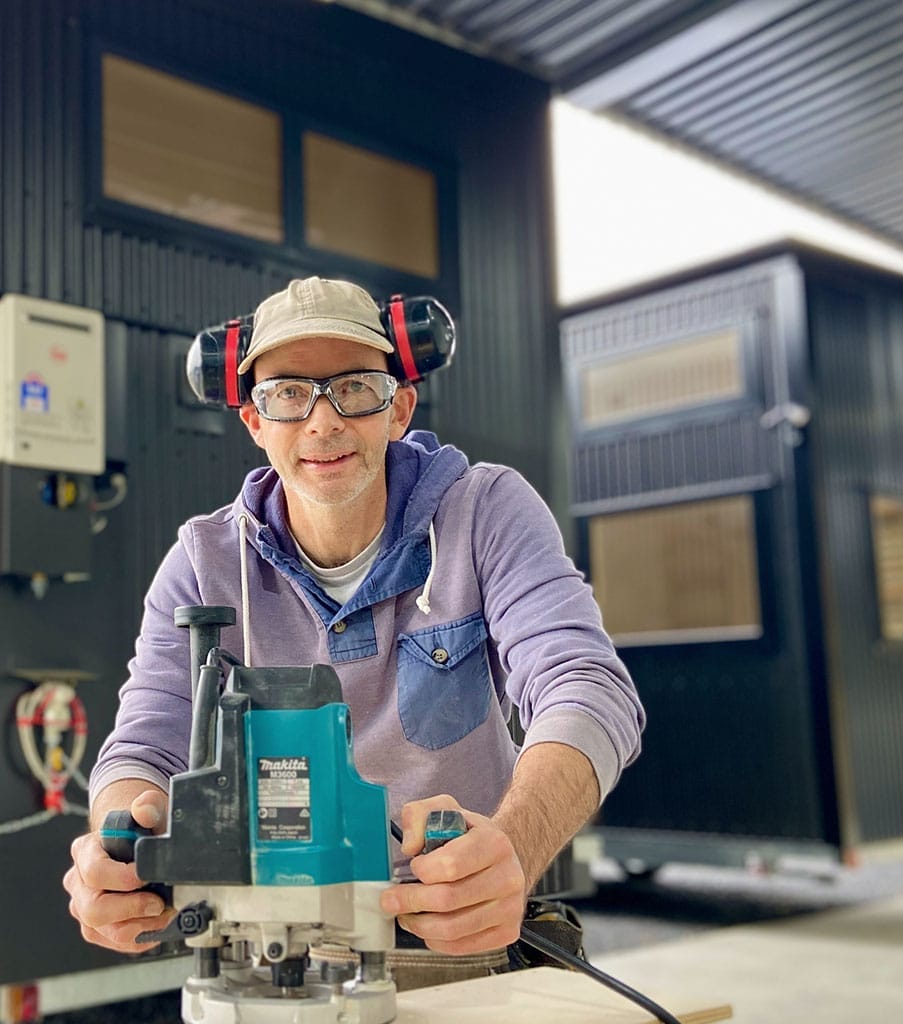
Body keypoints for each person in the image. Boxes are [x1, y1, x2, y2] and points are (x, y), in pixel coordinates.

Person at [63, 277, 644, 974]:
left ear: (399, 408)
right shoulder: (203, 564)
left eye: (355, 387)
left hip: (455, 946)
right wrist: (122, 841)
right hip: (267, 955)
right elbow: (146, 743)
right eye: (287, 392)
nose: (323, 421)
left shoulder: (483, 511)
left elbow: (585, 687)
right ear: (255, 422)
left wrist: (512, 849)